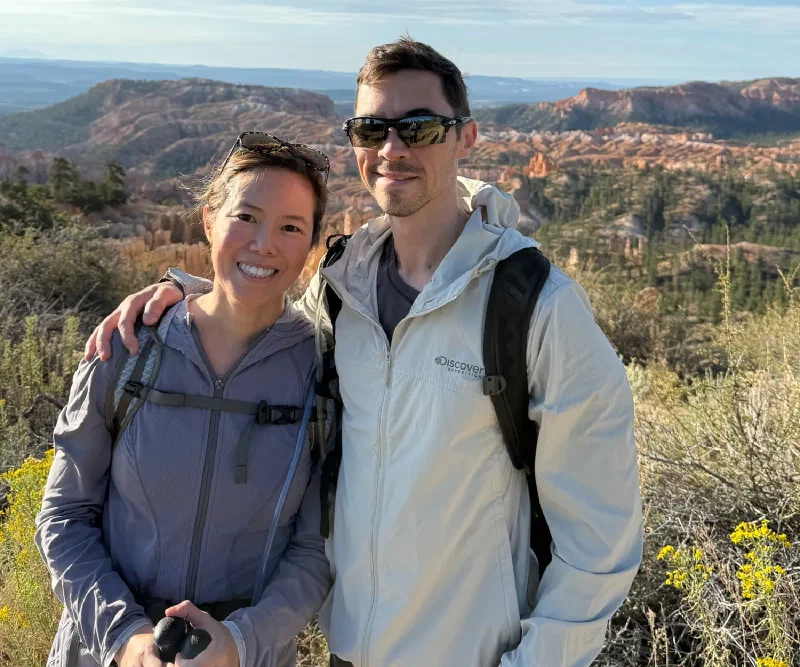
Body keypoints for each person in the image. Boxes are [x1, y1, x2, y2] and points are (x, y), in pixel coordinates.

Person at [86, 38, 643, 667]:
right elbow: (260, 322)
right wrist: (182, 293)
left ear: (467, 138)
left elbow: (602, 540)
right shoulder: (340, 287)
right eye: (372, 127)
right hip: (346, 649)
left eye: (420, 127)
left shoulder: (536, 304)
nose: (393, 149)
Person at [38, 138, 332, 667]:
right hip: (105, 651)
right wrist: (125, 637)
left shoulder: (322, 375)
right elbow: (65, 515)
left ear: (311, 245)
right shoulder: (127, 350)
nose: (265, 244)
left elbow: (314, 550)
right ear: (208, 222)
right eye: (245, 216)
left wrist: (241, 642)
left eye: (291, 227)